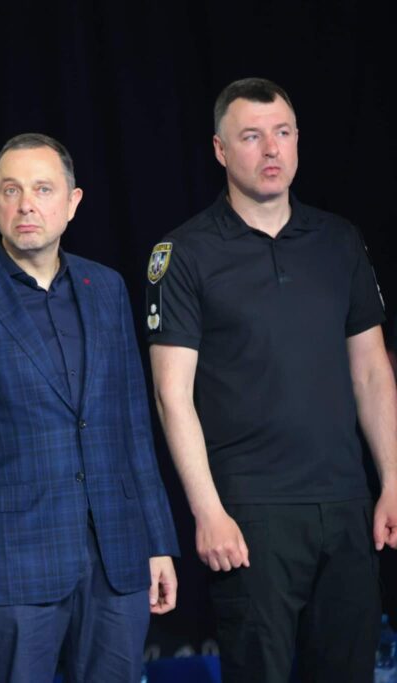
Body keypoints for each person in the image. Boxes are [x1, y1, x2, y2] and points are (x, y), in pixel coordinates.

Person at [147, 77, 397, 683]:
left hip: (346, 505)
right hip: (251, 515)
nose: (271, 150)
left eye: (282, 133)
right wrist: (207, 510)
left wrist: (392, 479)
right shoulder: (185, 252)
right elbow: (172, 395)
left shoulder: (338, 240)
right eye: (251, 137)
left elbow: (371, 371)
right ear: (220, 149)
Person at [0, 133, 179, 682]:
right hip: (12, 569)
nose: (26, 205)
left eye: (42, 189)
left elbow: (133, 427)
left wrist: (158, 541)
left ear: (72, 202)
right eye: (11, 191)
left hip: (117, 558)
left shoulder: (106, 287)